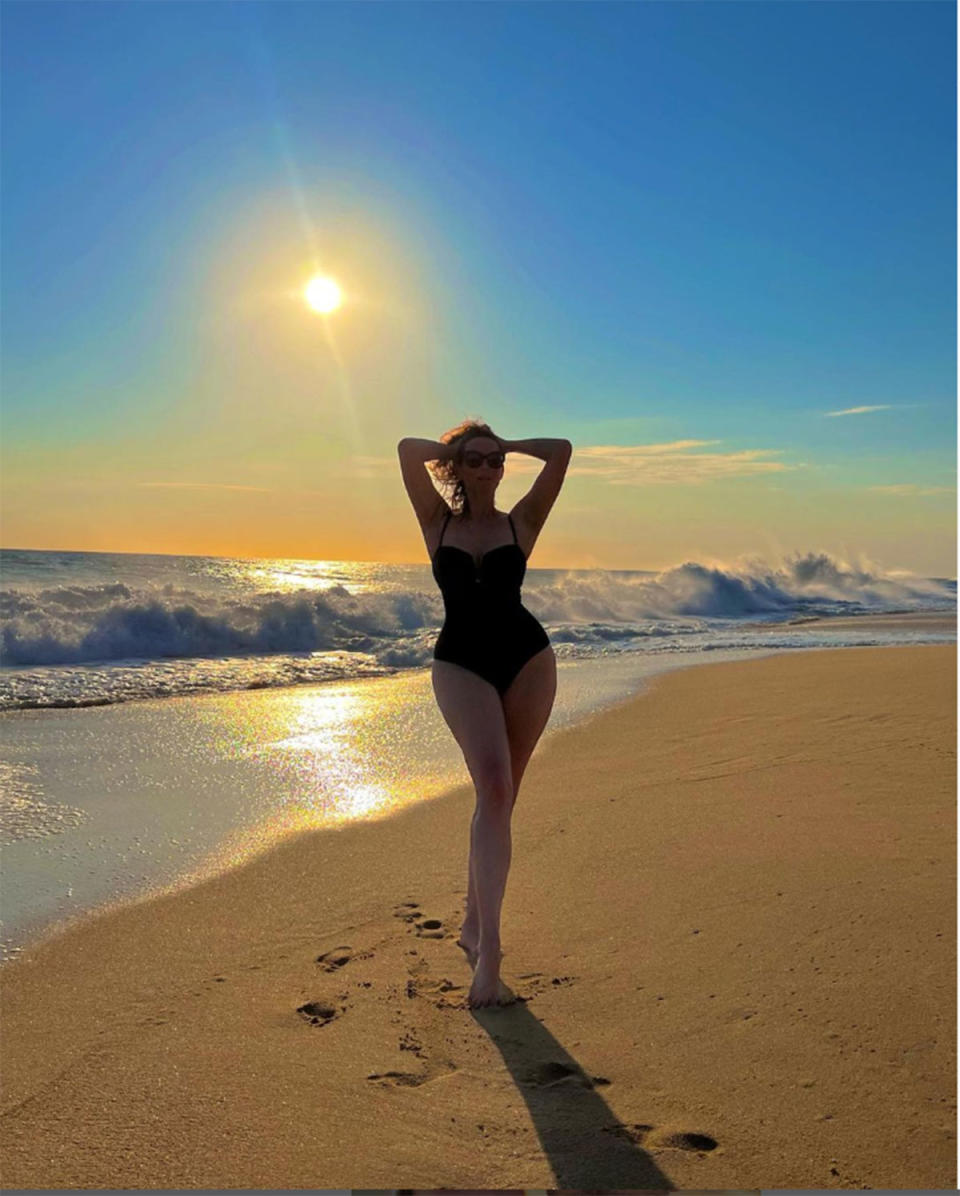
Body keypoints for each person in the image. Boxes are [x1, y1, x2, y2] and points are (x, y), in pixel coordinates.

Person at [397, 420, 572, 1007]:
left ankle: (473, 924)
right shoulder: (435, 522)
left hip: (528, 660)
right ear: (457, 467)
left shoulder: (520, 523)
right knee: (493, 787)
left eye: (495, 462)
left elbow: (561, 452)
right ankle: (490, 952)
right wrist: (455, 449)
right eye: (476, 461)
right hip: (460, 663)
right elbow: (405, 451)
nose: (489, 469)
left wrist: (508, 445)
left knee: (504, 796)